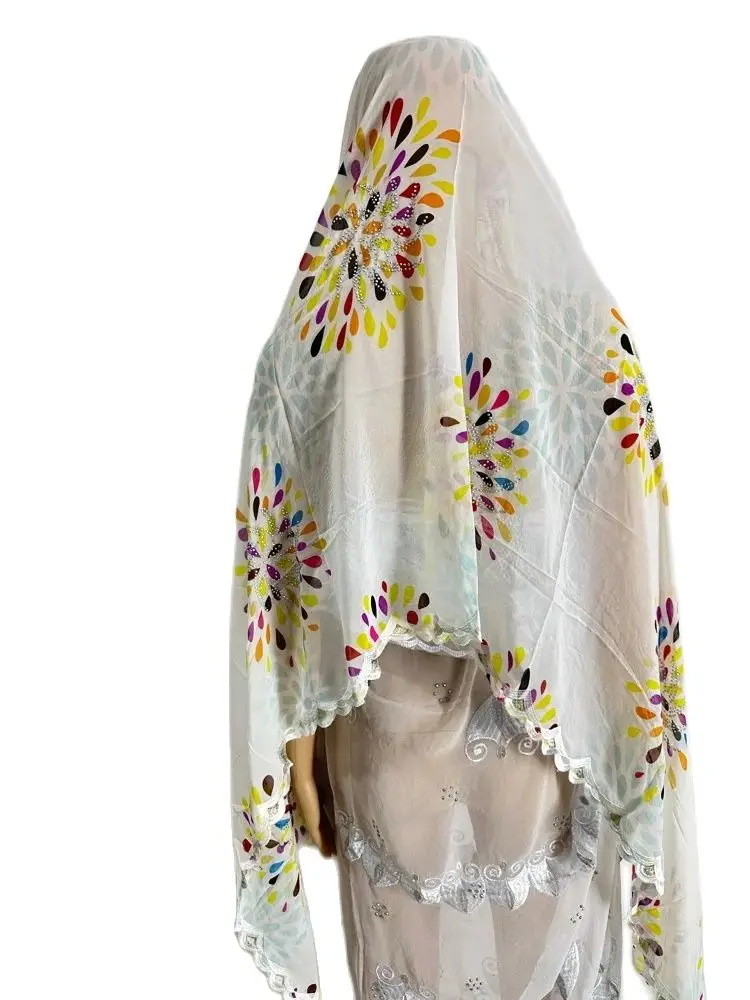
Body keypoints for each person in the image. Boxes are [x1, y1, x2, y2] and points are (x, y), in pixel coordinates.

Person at [230, 35, 706, 1000]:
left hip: (387, 757)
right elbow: (625, 548)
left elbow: (278, 589)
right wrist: (626, 730)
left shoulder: (316, 342)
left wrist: (296, 756)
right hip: (553, 739)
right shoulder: (584, 335)